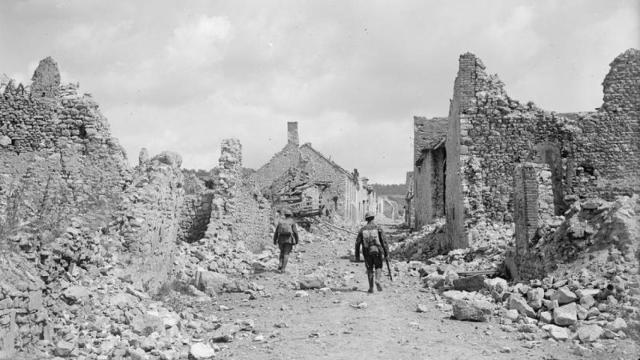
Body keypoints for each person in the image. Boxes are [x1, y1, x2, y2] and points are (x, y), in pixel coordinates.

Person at [354, 212, 388, 293]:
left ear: (366, 219)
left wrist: (357, 256)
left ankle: (371, 288)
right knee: (378, 266)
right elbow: (384, 241)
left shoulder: (362, 230)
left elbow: (357, 243)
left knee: (369, 269)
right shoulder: (378, 228)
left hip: (367, 252)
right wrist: (386, 253)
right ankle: (377, 280)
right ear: (373, 218)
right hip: (377, 251)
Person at [273, 208, 299, 273]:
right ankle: (283, 269)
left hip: (280, 239)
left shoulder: (281, 222)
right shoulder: (292, 222)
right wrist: (297, 240)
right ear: (290, 215)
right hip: (289, 240)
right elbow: (295, 232)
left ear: (285, 215)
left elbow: (276, 232)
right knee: (286, 253)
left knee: (281, 252)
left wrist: (274, 240)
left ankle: (280, 264)